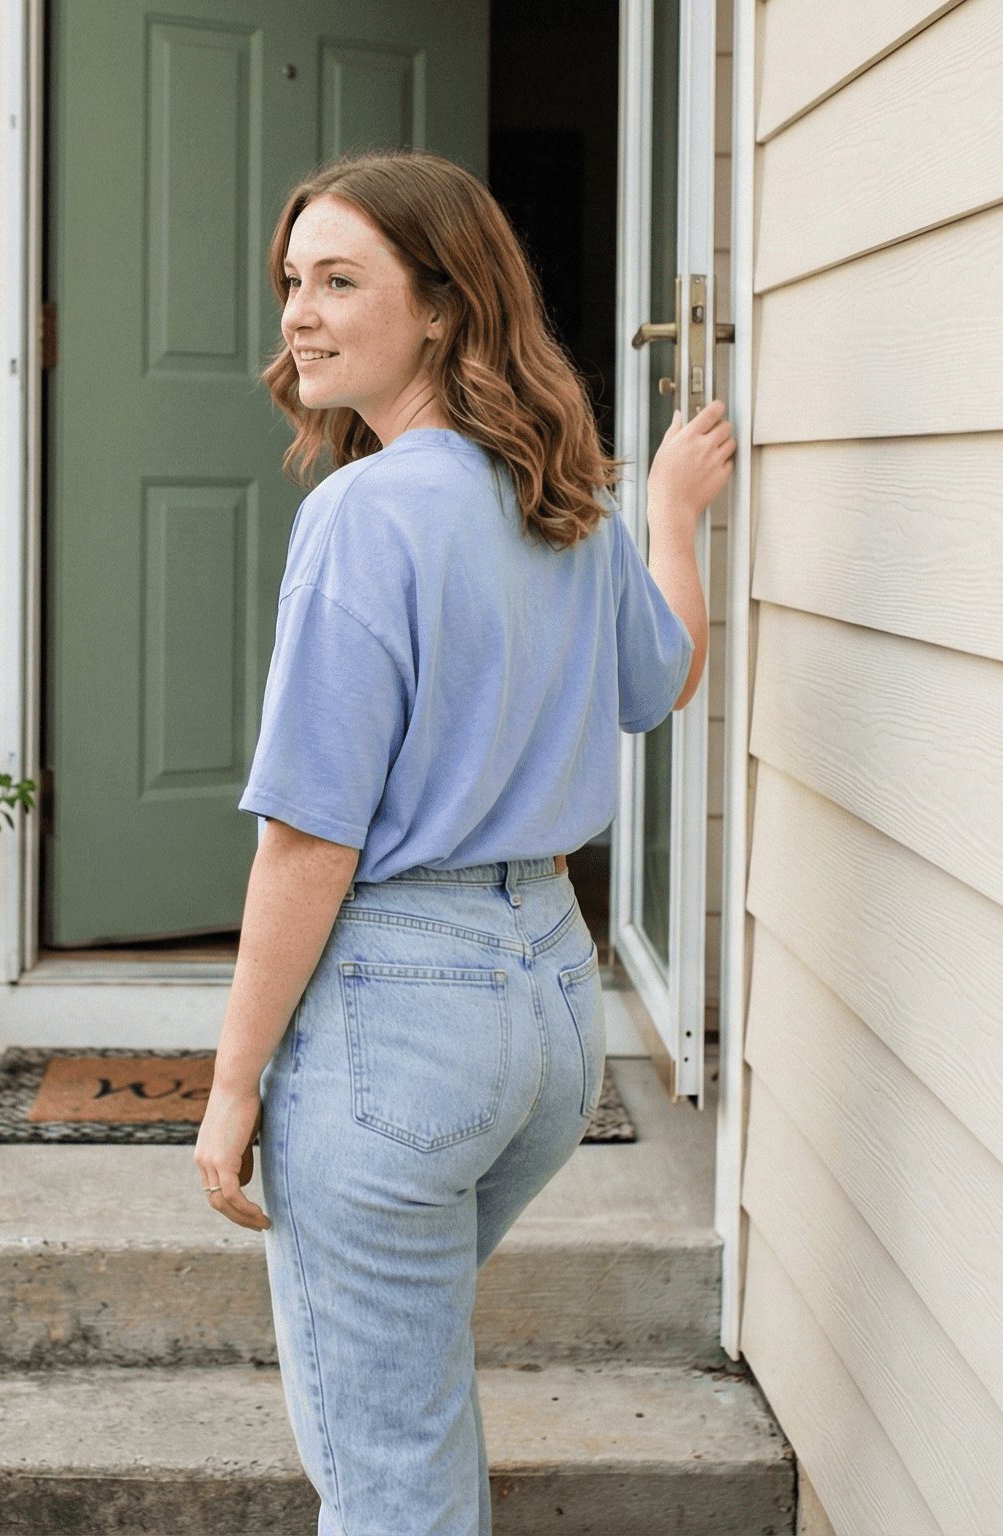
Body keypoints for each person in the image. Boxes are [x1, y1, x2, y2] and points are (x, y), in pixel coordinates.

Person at [192, 150, 736, 1534]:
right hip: (548, 1013)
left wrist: (234, 1081)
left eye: (339, 280)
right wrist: (671, 519)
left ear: (441, 307)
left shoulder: (361, 516)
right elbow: (664, 678)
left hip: (402, 1029)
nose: (298, 314)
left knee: (388, 1479)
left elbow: (309, 840)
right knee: (406, 1405)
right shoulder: (564, 498)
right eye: (292, 282)